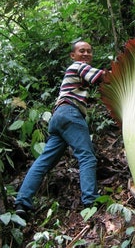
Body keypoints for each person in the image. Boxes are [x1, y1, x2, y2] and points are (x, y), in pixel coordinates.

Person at [15, 41, 106, 218]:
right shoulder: (79, 66)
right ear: (73, 55)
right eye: (82, 51)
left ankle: (22, 202)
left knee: (44, 162)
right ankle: (91, 201)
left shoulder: (77, 72)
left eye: (89, 51)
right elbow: (102, 76)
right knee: (87, 157)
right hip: (70, 113)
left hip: (58, 117)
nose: (86, 54)